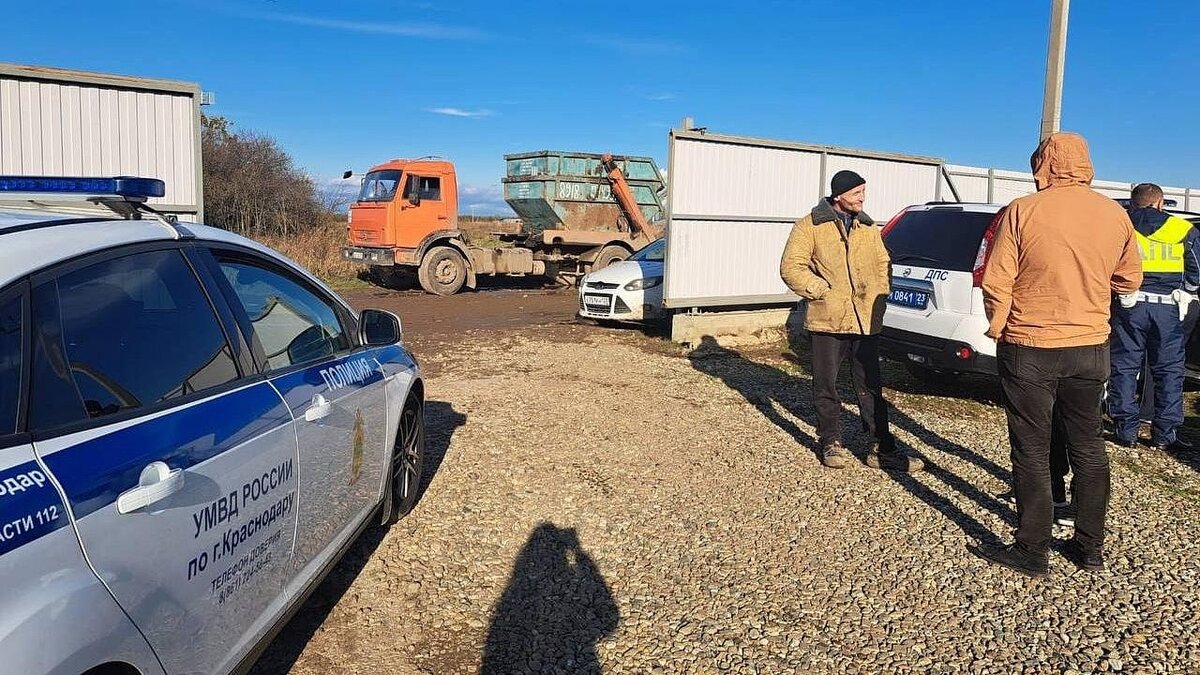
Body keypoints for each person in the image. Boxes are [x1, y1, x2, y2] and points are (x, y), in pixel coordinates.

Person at [976, 132, 1142, 576]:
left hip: (1030, 344)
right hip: (1089, 346)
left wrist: (998, 326)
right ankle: (1089, 547)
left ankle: (1032, 551)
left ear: (1042, 164)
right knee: (1088, 447)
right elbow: (1129, 281)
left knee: (1031, 448)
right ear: (1086, 163)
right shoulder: (1114, 215)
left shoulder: (1022, 212)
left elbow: (996, 280)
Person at [779, 170, 923, 473]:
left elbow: (884, 263)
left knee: (871, 386)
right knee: (826, 384)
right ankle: (830, 441)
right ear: (839, 195)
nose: (863, 198)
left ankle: (880, 449)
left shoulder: (869, 228)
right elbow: (791, 267)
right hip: (828, 319)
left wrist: (880, 294)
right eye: (857, 192)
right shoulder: (810, 225)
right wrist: (822, 292)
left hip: (865, 319)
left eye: (864, 192)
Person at [1108, 183, 1199, 452]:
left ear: (1132, 203)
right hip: (1168, 308)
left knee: (1124, 366)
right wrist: (1187, 291)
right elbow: (1196, 268)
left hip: (1129, 305)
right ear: (1160, 203)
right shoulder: (1181, 229)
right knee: (1169, 369)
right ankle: (1164, 433)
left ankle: (1126, 431)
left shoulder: (1120, 225)